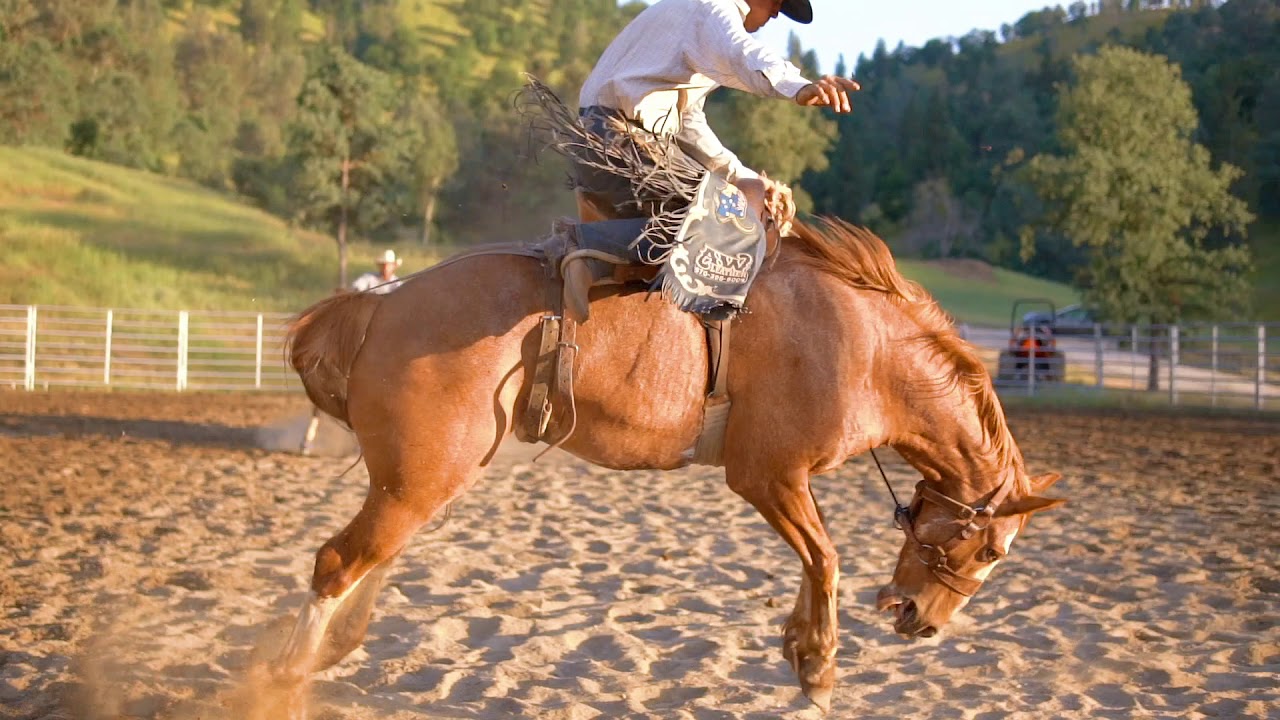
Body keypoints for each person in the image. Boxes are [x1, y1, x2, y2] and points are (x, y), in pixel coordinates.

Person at [573, 0, 860, 224]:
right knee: (724, 217)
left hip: (607, 141)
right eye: (777, 2)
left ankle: (592, 254)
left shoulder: (697, 20)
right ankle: (586, 251)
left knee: (727, 206)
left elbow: (687, 122)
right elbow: (743, 53)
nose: (775, 14)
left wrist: (742, 176)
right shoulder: (713, 9)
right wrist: (799, 86)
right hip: (623, 143)